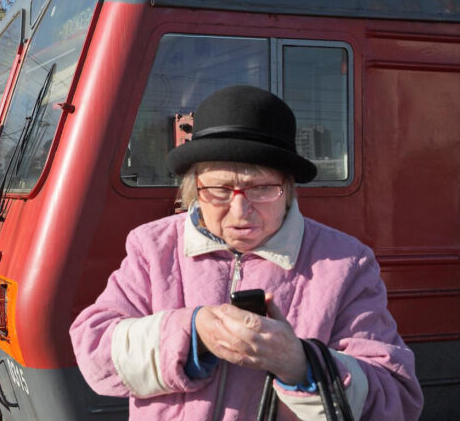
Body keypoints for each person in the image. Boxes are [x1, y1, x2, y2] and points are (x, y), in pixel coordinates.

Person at [69, 85, 423, 420]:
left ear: (288, 189)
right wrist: (192, 333)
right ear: (194, 189)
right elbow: (95, 351)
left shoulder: (345, 263)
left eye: (261, 188)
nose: (240, 212)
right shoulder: (153, 247)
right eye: (220, 189)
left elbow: (396, 397)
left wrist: (301, 364)